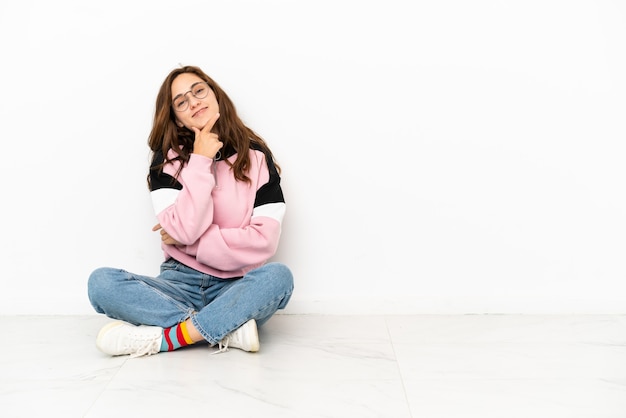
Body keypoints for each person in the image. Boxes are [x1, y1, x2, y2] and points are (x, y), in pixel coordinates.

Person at [87, 65, 294, 357]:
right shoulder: (167, 160)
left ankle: (166, 339)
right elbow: (183, 229)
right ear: (176, 118)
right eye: (181, 101)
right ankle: (226, 327)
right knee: (101, 284)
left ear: (215, 95)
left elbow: (264, 241)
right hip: (177, 283)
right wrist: (200, 159)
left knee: (277, 278)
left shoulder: (257, 157)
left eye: (198, 90)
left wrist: (190, 241)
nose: (194, 101)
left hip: (237, 287)